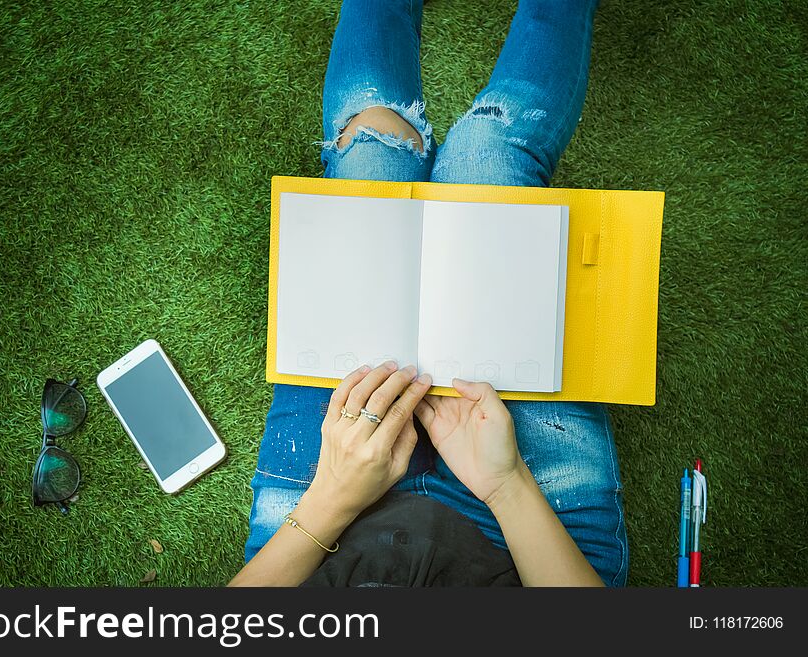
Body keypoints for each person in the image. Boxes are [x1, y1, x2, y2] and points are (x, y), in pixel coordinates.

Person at [229, 0, 627, 587]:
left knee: (371, 143)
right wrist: (505, 482)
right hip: (528, 534)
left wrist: (334, 495)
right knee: (487, 154)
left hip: (325, 528)